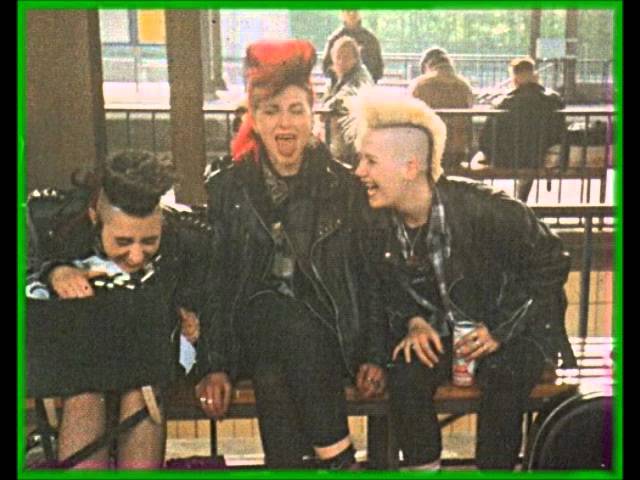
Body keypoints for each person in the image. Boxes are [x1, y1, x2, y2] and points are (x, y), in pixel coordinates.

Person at [350, 88, 576, 470]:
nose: (359, 171)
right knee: (405, 375)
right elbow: (380, 287)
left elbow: (552, 260)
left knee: (504, 379)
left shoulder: (486, 209)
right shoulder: (376, 221)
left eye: (370, 161)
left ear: (410, 167)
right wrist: (412, 320)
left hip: (517, 330)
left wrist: (499, 328)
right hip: (450, 334)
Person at [194, 39, 387, 470]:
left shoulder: (343, 187)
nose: (285, 122)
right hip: (252, 330)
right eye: (271, 111)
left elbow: (368, 277)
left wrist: (374, 354)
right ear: (254, 119)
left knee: (274, 371)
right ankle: (339, 460)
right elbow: (218, 282)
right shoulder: (229, 187)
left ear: (312, 116)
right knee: (278, 313)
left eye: (296, 110)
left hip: (329, 337)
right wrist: (215, 364)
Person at [26, 150, 215, 469]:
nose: (137, 256)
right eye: (123, 242)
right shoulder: (54, 223)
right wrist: (53, 272)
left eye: (149, 241)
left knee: (142, 388)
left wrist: (193, 321)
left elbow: (213, 301)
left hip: (148, 362)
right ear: (94, 216)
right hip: (79, 361)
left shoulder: (187, 239)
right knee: (85, 390)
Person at [478, 57, 566, 202]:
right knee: (530, 159)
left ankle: (491, 202)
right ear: (535, 75)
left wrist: (488, 152)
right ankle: (521, 199)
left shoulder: (504, 102)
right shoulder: (554, 100)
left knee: (478, 159)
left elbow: (485, 138)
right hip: (540, 157)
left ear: (515, 78)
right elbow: (559, 132)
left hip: (507, 157)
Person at [409, 47, 474, 170]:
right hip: (457, 154)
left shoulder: (420, 84)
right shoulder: (464, 85)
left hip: (427, 154)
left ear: (426, 66)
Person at [321, 36, 374, 166]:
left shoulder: (361, 77)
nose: (341, 61)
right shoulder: (335, 78)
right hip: (337, 143)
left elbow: (346, 96)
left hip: (354, 146)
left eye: (346, 57)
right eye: (338, 57)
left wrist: (327, 108)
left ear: (355, 58)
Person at [322, 10, 384, 85]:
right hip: (340, 88)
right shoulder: (334, 39)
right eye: (348, 10)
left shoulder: (371, 40)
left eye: (355, 10)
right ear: (342, 14)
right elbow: (326, 68)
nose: (352, 13)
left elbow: (379, 70)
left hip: (365, 87)